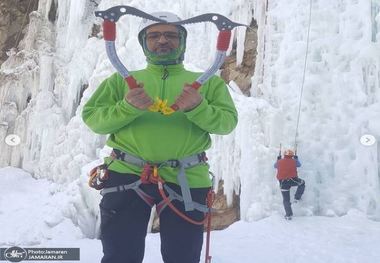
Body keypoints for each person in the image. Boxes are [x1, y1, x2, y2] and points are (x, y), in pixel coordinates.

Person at [82, 11, 238, 263]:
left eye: (171, 35)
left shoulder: (207, 83)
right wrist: (127, 107)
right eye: (154, 35)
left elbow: (227, 123)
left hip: (187, 178)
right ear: (144, 43)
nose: (162, 41)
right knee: (120, 256)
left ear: (182, 42)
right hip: (126, 174)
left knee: (183, 257)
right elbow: (94, 120)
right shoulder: (120, 81)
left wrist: (198, 106)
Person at [274, 149, 305, 220]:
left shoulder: (279, 162)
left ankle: (288, 215)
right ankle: (297, 198)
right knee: (302, 183)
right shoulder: (294, 161)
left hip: (283, 183)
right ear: (292, 155)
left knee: (286, 199)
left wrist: (278, 159)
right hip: (293, 180)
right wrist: (296, 158)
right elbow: (299, 165)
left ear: (284, 155)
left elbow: (275, 166)